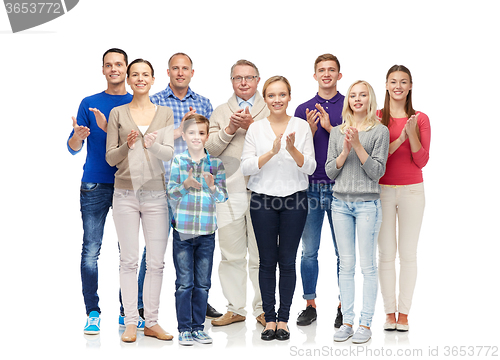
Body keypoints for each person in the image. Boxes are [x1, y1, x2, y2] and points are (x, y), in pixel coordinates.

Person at [67, 48, 147, 335]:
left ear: (126, 69)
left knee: (129, 252)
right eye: (108, 65)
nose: (114, 69)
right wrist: (77, 137)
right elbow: (73, 148)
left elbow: (143, 147)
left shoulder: (136, 102)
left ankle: (128, 310)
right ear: (102, 69)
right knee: (91, 249)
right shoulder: (89, 103)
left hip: (129, 184)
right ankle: (92, 311)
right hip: (95, 184)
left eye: (119, 64)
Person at [241, 76, 316, 341]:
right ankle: (268, 319)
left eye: (281, 94)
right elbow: (246, 167)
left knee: (287, 261)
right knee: (266, 262)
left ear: (289, 96)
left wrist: (292, 149)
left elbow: (310, 167)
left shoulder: (301, 126)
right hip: (262, 200)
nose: (277, 100)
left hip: (294, 200)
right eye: (271, 95)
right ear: (265, 98)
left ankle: (283, 319)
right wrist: (272, 152)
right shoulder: (256, 128)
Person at [105, 59, 174, 343]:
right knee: (129, 260)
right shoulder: (118, 112)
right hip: (124, 193)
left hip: (157, 193)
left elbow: (168, 153)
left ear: (153, 79)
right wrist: (128, 145)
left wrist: (151, 144)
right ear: (130, 80)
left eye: (146, 74)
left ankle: (153, 322)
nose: (140, 78)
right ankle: (131, 322)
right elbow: (111, 157)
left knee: (156, 262)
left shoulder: (165, 113)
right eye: (135, 74)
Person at [149, 52, 220, 318]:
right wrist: (181, 128)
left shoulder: (203, 102)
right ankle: (143, 306)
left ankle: (200, 302)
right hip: (162, 184)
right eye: (175, 68)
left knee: (199, 248)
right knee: (155, 249)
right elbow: (149, 140)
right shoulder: (155, 102)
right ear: (167, 72)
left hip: (196, 190)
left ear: (192, 72)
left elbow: (210, 142)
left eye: (185, 68)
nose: (180, 72)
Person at [205, 59, 269, 327]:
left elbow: (275, 148)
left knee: (261, 254)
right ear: (231, 82)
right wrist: (231, 129)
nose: (244, 82)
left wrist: (251, 126)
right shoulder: (220, 112)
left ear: (257, 80)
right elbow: (210, 148)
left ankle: (264, 308)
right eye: (238, 78)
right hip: (228, 192)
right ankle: (236, 308)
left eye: (249, 77)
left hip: (263, 192)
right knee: (231, 254)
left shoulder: (270, 109)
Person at [325, 80, 389, 344]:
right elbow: (330, 171)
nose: (357, 99)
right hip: (340, 204)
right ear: (348, 100)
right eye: (353, 95)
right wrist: (344, 151)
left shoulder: (380, 131)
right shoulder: (337, 132)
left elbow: (376, 172)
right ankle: (348, 321)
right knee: (346, 265)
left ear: (370, 99)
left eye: (363, 95)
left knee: (367, 266)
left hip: (366, 206)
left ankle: (365, 323)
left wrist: (359, 146)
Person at [377, 65, 430, 332]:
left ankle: (404, 314)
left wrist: (412, 135)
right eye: (393, 81)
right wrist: (399, 139)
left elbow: (422, 161)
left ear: (410, 86)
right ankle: (389, 312)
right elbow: (374, 161)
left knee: (408, 254)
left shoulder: (420, 119)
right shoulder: (376, 118)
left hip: (411, 191)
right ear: (386, 85)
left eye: (403, 82)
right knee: (386, 254)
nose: (398, 86)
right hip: (382, 191)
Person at [167, 114, 228, 345]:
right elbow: (170, 193)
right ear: (183, 135)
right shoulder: (178, 161)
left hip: (206, 233)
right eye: (191, 133)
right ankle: (184, 328)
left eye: (201, 133)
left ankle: (198, 327)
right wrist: (185, 185)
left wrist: (212, 187)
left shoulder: (216, 164)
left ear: (207, 136)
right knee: (185, 283)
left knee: (202, 283)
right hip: (183, 231)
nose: (196, 137)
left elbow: (223, 196)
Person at [294, 54, 344, 327]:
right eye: (321, 70)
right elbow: (293, 153)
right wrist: (310, 132)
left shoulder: (350, 105)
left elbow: (354, 144)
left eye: (331, 70)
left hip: (340, 189)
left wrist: (329, 128)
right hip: (309, 188)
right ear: (314, 76)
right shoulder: (303, 109)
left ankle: (342, 305)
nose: (326, 74)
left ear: (339, 75)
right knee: (309, 251)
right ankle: (310, 304)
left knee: (342, 252)